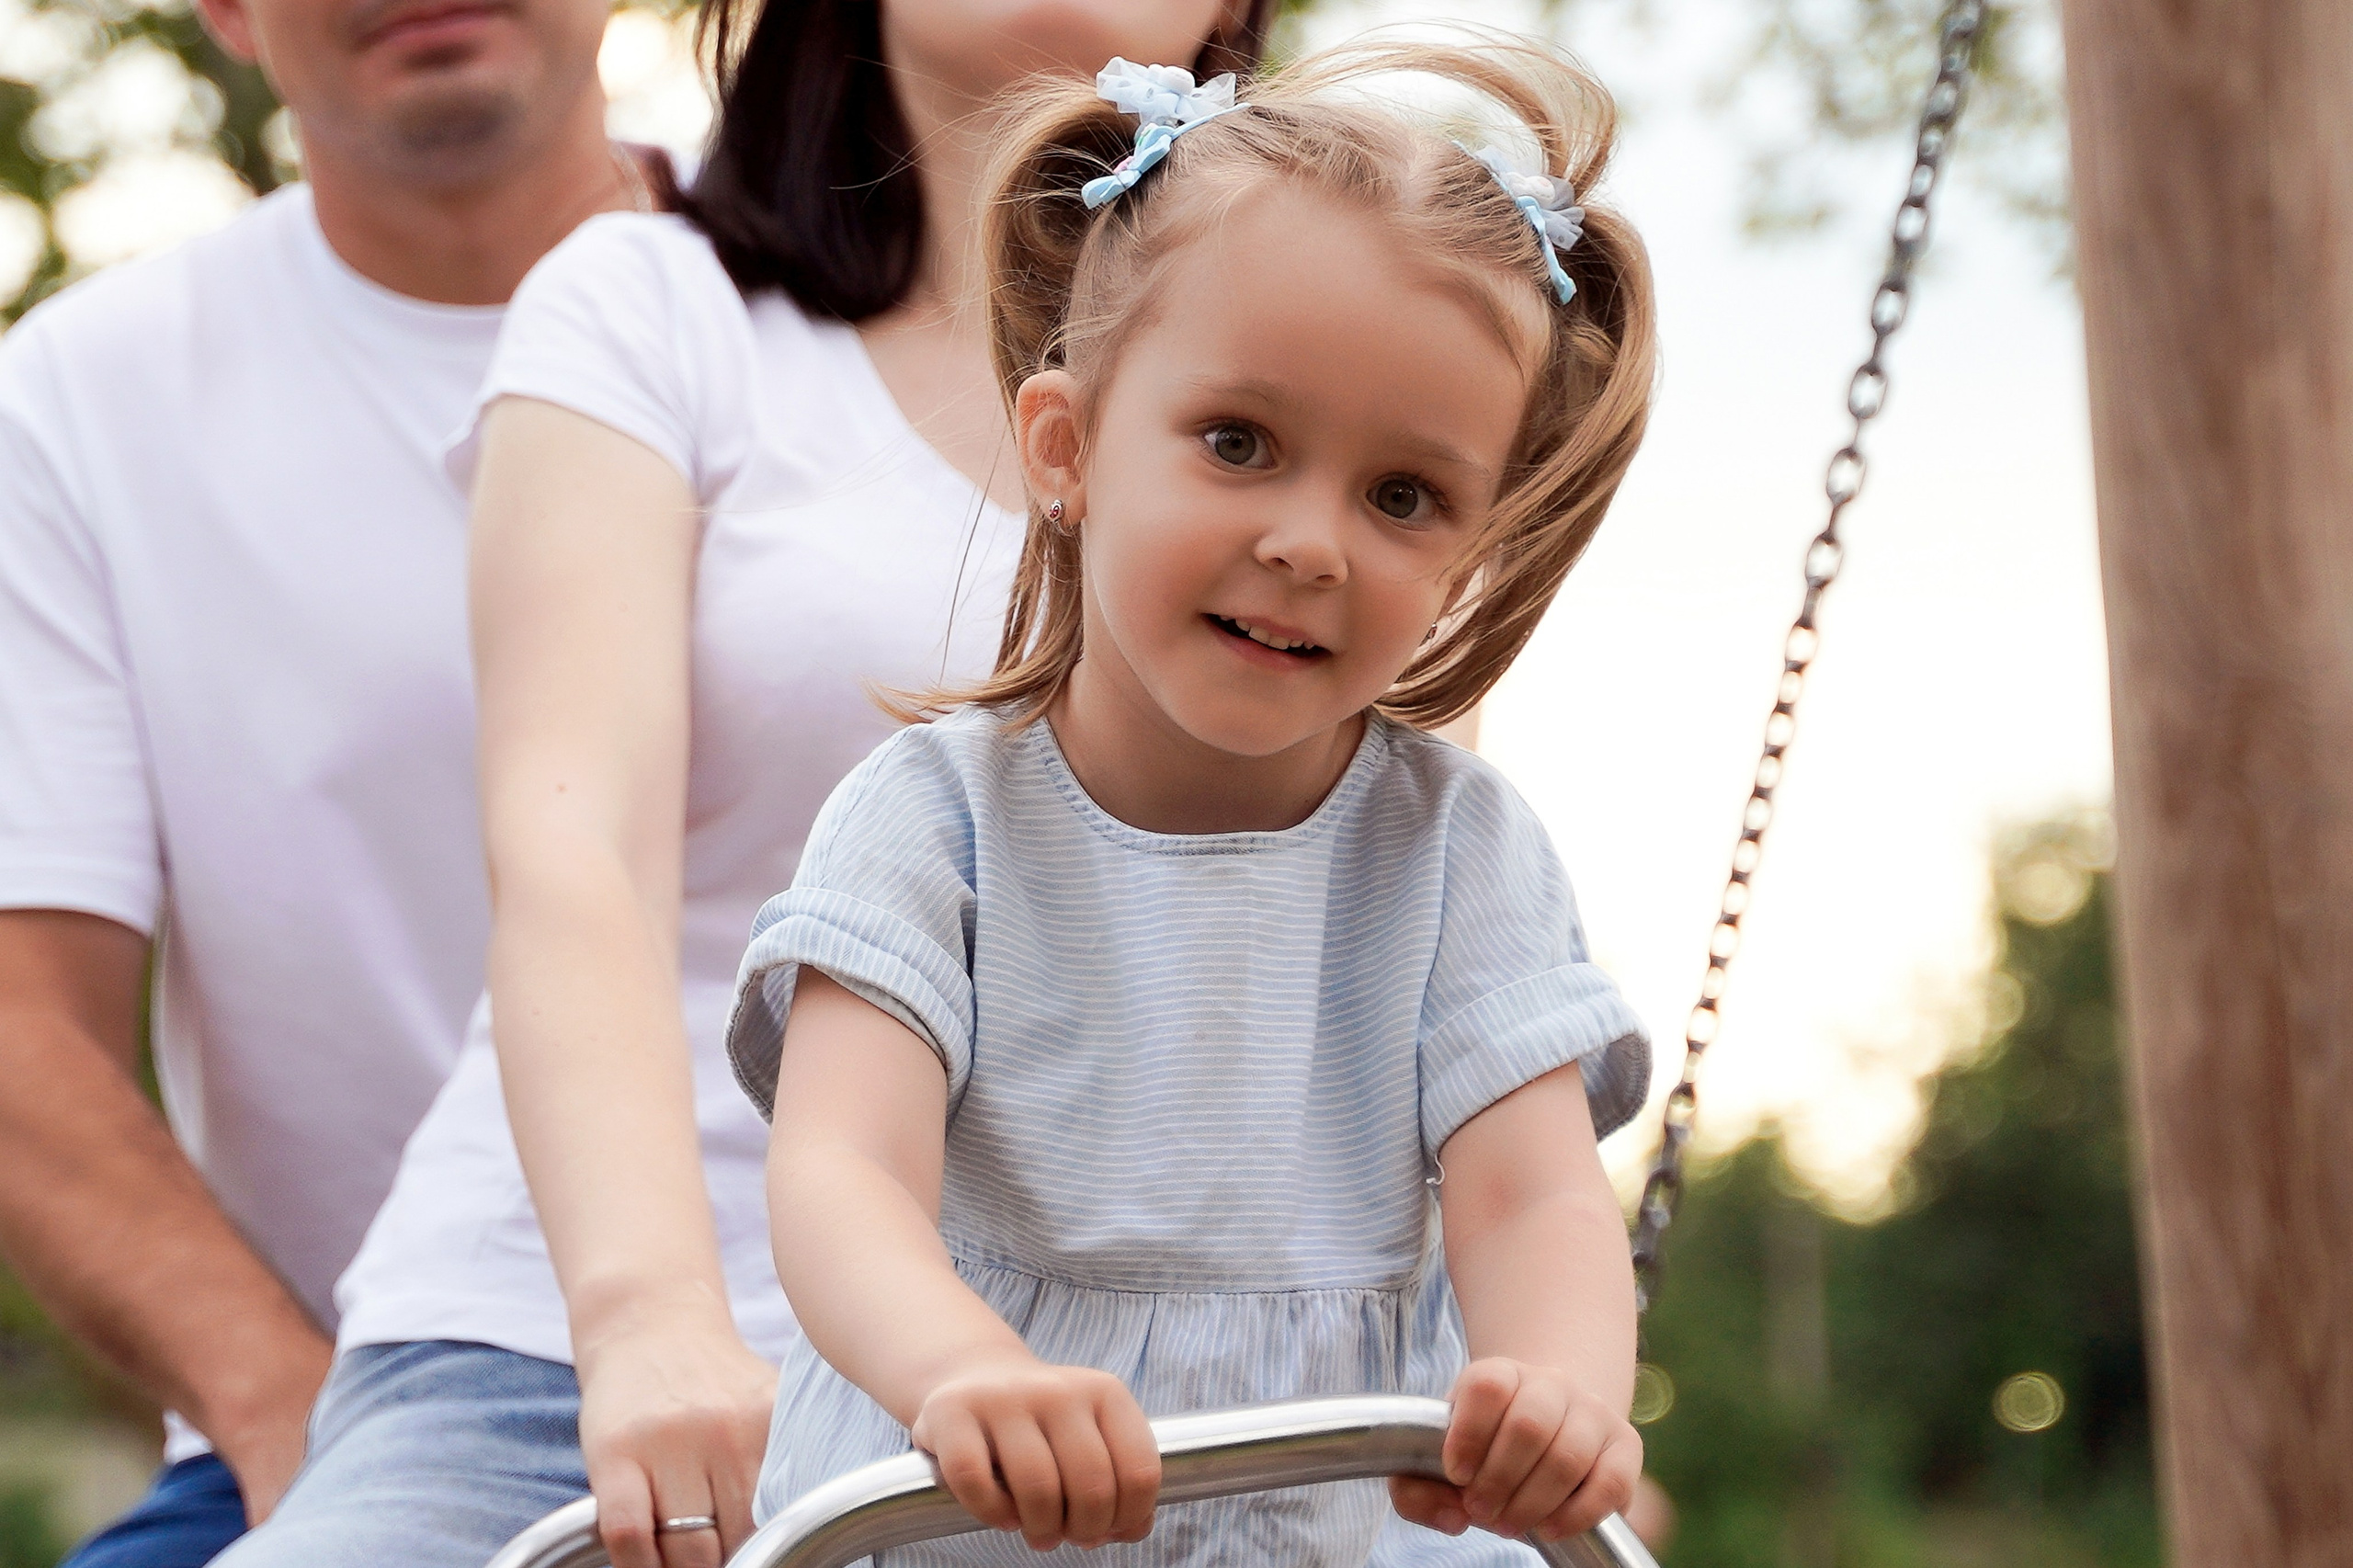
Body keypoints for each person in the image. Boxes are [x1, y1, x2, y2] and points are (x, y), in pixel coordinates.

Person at [206, 6, 1273, 1568]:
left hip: (1122, 1397)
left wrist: (1510, 1348)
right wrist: (649, 1323)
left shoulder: (1343, 380)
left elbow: (1383, 926)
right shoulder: (653, 305)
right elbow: (575, 852)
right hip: (568, 1358)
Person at [722, 37, 1660, 1564]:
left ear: (1472, 548)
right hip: (975, 1513)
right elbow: (841, 1168)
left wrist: (1559, 1387)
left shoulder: (1458, 855)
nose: (1310, 541)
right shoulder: (931, 824)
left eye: (1402, 496)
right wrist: (963, 1367)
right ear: (1067, 446)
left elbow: (1531, 1201)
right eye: (1240, 444)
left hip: (1326, 1517)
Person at [0, 0, 660, 1558]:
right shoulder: (78, 401)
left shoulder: (878, 294)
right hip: (348, 1416)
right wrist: (293, 1417)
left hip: (898, 1380)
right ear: (224, 9)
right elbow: (26, 1028)